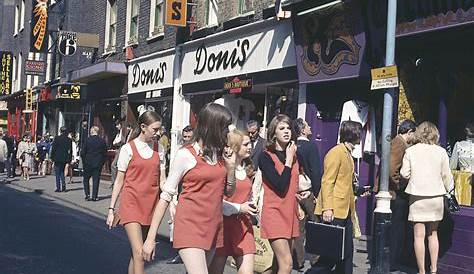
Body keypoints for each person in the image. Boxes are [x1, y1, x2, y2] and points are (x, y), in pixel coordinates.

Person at [141, 103, 237, 274]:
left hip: (214, 226)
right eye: (224, 127)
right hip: (190, 226)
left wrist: (230, 169)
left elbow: (228, 192)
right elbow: (166, 196)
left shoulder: (221, 154)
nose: (227, 133)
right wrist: (150, 238)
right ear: (213, 127)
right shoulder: (185, 154)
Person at [106, 111, 164, 274]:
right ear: (143, 127)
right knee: (140, 253)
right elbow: (119, 181)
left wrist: (172, 201)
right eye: (155, 129)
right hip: (131, 204)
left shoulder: (160, 149)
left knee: (136, 254)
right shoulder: (128, 149)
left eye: (159, 129)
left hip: (150, 205)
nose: (158, 133)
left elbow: (163, 181)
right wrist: (111, 209)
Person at [400, 121, 454, 274]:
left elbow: (404, 173)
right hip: (436, 197)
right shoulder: (441, 152)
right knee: (433, 234)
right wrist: (450, 190)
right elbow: (447, 177)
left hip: (417, 197)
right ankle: (434, 269)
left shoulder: (411, 151)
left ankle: (422, 271)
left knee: (418, 235)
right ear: (435, 134)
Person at [313, 120, 362, 274]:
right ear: (354, 134)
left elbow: (344, 182)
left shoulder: (347, 153)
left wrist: (358, 191)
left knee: (346, 252)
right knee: (330, 254)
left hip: (345, 210)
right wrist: (327, 208)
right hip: (334, 210)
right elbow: (327, 181)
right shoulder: (336, 152)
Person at [209, 129, 257, 274]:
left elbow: (249, 195)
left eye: (250, 144)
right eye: (245, 144)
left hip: (244, 226)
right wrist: (239, 208)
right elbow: (214, 201)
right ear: (235, 146)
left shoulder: (247, 168)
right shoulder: (221, 169)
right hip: (222, 227)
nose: (250, 147)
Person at [258, 114, 300, 274]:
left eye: (289, 128)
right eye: (282, 128)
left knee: (277, 265)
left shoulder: (295, 155)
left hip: (290, 213)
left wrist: (301, 195)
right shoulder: (266, 157)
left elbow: (294, 183)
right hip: (275, 213)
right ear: (273, 132)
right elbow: (280, 185)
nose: (287, 131)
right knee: (287, 264)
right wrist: (288, 161)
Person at [388, 119, 416, 271]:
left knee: (397, 228)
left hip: (396, 193)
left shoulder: (399, 142)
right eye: (414, 133)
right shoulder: (400, 143)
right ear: (409, 132)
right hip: (396, 194)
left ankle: (394, 260)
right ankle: (392, 262)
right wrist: (400, 186)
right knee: (396, 229)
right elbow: (392, 168)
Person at [293, 118, 321, 269]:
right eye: (307, 126)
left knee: (299, 227)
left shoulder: (292, 146)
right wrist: (317, 193)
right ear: (303, 130)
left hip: (295, 192)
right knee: (315, 223)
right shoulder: (311, 147)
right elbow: (316, 172)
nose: (310, 127)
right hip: (308, 191)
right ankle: (316, 259)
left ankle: (298, 259)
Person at [167, 125, 195, 265]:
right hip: (180, 194)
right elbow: (174, 176)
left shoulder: (198, 153)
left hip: (192, 197)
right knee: (178, 226)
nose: (187, 139)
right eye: (185, 137)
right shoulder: (181, 152)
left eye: (189, 137)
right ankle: (181, 253)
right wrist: (172, 199)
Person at [81, 126, 107, 201]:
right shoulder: (102, 141)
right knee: (96, 180)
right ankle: (94, 196)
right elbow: (105, 153)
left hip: (88, 163)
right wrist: (102, 162)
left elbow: (83, 152)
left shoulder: (87, 140)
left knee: (86, 179)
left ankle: (87, 195)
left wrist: (84, 161)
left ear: (92, 131)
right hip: (97, 163)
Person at [51, 127, 72, 192]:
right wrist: (69, 159)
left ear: (60, 131)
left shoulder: (57, 138)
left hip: (57, 158)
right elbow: (70, 150)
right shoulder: (69, 140)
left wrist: (52, 157)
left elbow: (53, 148)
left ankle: (58, 187)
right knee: (62, 172)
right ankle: (63, 186)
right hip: (64, 158)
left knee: (57, 173)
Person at [111, 120, 129, 188]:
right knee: (116, 165)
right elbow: (114, 142)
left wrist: (117, 142)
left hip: (121, 149)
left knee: (114, 165)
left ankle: (115, 182)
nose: (116, 126)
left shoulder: (123, 132)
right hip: (118, 149)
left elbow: (120, 141)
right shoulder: (118, 133)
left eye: (117, 125)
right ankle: (115, 182)